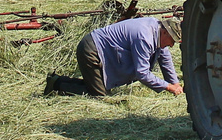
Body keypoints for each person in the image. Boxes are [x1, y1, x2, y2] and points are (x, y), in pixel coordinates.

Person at [45, 17, 183, 97]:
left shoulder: (157, 30)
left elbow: (165, 57)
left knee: (98, 88)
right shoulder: (144, 37)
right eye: (172, 41)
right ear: (165, 32)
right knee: (99, 96)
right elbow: (142, 73)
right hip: (92, 50)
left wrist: (175, 82)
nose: (171, 45)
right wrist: (168, 87)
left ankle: (58, 81)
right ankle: (56, 84)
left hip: (101, 51)